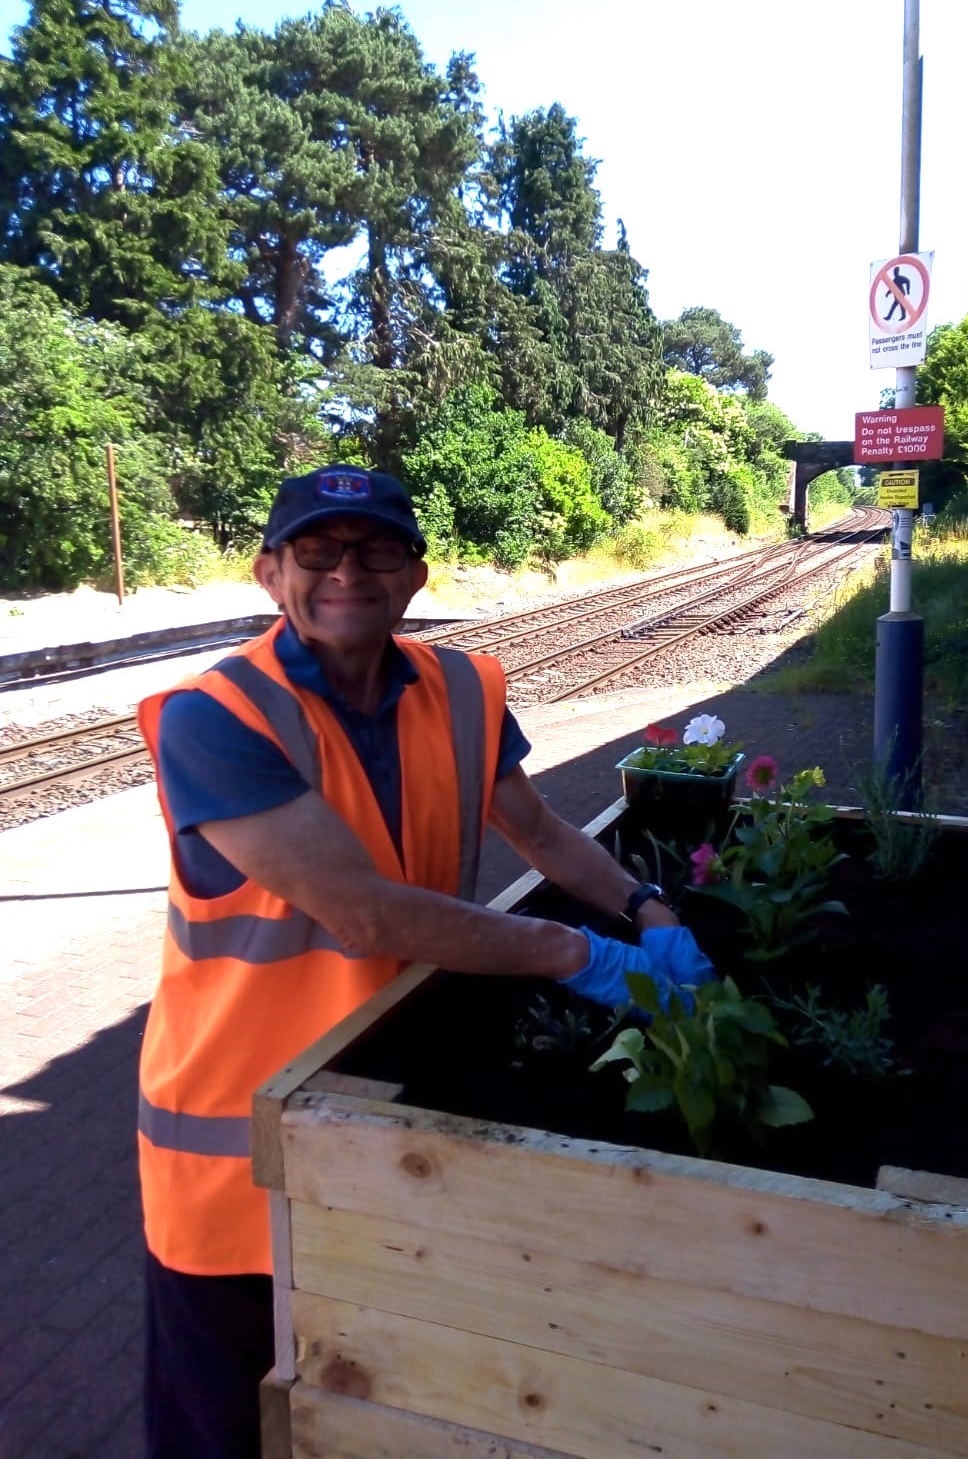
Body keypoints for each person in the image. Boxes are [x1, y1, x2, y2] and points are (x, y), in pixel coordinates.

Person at [135, 464, 715, 1459]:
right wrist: (573, 952)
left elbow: (537, 831)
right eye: (317, 550)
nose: (347, 570)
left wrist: (647, 907)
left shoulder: (460, 689)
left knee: (368, 1404)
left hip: (392, 1115)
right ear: (270, 573)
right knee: (226, 1426)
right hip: (239, 1154)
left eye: (378, 549)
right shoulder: (216, 716)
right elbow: (360, 914)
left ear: (417, 574)